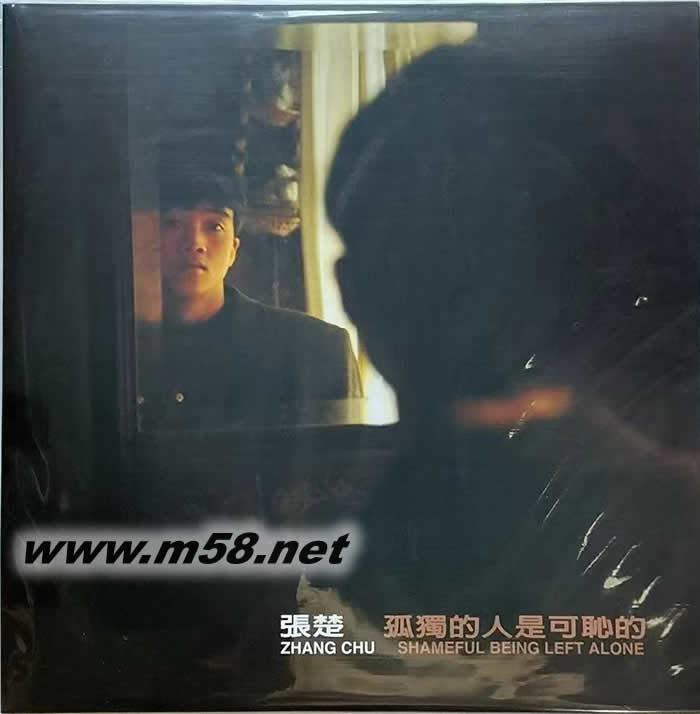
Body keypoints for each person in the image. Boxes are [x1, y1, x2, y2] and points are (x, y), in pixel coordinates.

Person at [285, 44, 700, 708]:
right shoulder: (356, 551)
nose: (464, 295)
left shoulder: (662, 523)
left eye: (489, 235)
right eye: (415, 247)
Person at [138, 147, 362, 429]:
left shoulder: (316, 351)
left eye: (214, 226)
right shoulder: (122, 352)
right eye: (173, 223)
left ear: (233, 249)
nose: (194, 242)